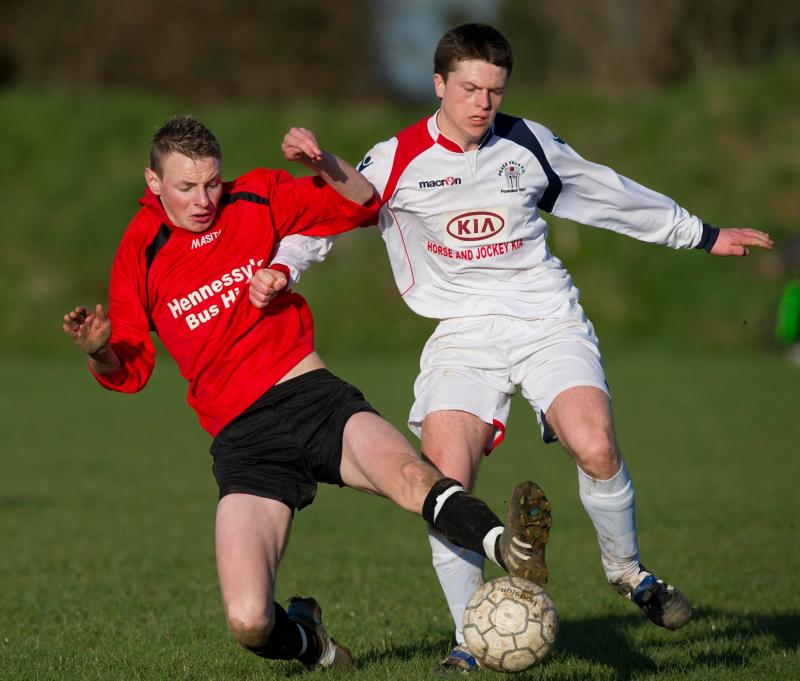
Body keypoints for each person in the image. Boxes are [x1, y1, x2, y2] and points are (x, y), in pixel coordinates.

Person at [264, 23, 775, 673]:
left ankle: (627, 571)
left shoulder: (526, 144)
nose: (483, 103)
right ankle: (468, 636)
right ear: (439, 85)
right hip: (462, 332)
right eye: (471, 88)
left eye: (495, 91)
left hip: (544, 317)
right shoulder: (396, 157)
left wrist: (700, 234)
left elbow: (606, 193)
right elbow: (328, 217)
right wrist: (282, 268)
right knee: (445, 477)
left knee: (595, 444)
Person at [61, 115, 553, 672]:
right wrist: (99, 348)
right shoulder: (140, 252)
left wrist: (322, 164)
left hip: (310, 396)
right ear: (153, 183)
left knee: (412, 477)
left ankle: (508, 548)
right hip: (244, 442)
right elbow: (130, 368)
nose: (204, 199)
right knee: (248, 621)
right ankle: (311, 642)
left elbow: (362, 205)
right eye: (186, 187)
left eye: (212, 183)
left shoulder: (258, 196)